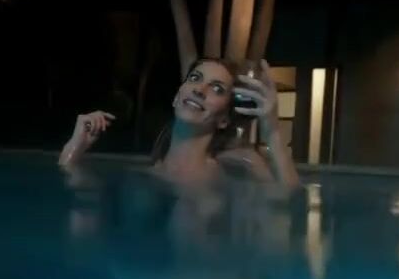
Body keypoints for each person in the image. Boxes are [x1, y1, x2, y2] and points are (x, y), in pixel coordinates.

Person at [58, 58, 299, 189]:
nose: (200, 90)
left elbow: (290, 203)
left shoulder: (238, 165)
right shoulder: (141, 179)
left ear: (224, 119)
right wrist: (74, 148)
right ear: (176, 97)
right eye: (195, 78)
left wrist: (272, 132)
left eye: (217, 89)